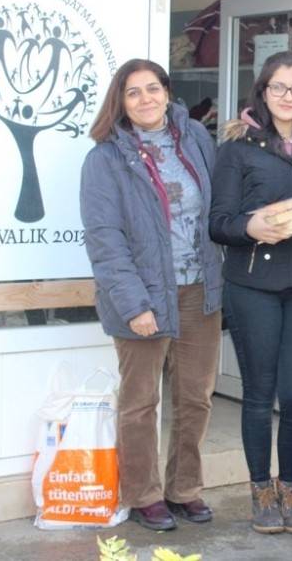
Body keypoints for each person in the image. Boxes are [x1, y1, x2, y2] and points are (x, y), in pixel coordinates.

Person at [80, 59, 223, 531]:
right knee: (141, 402)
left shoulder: (197, 140)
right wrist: (134, 304)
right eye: (133, 93)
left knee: (195, 397)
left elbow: (220, 204)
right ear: (120, 102)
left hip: (199, 289)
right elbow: (105, 239)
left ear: (167, 92)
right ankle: (143, 495)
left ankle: (185, 489)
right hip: (144, 294)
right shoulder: (105, 159)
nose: (146, 99)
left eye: (153, 89)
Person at [209, 50, 292, 535]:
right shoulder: (238, 148)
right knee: (258, 394)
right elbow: (219, 222)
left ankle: (291, 488)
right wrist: (251, 226)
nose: (287, 97)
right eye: (278, 87)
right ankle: (261, 490)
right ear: (262, 91)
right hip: (253, 285)